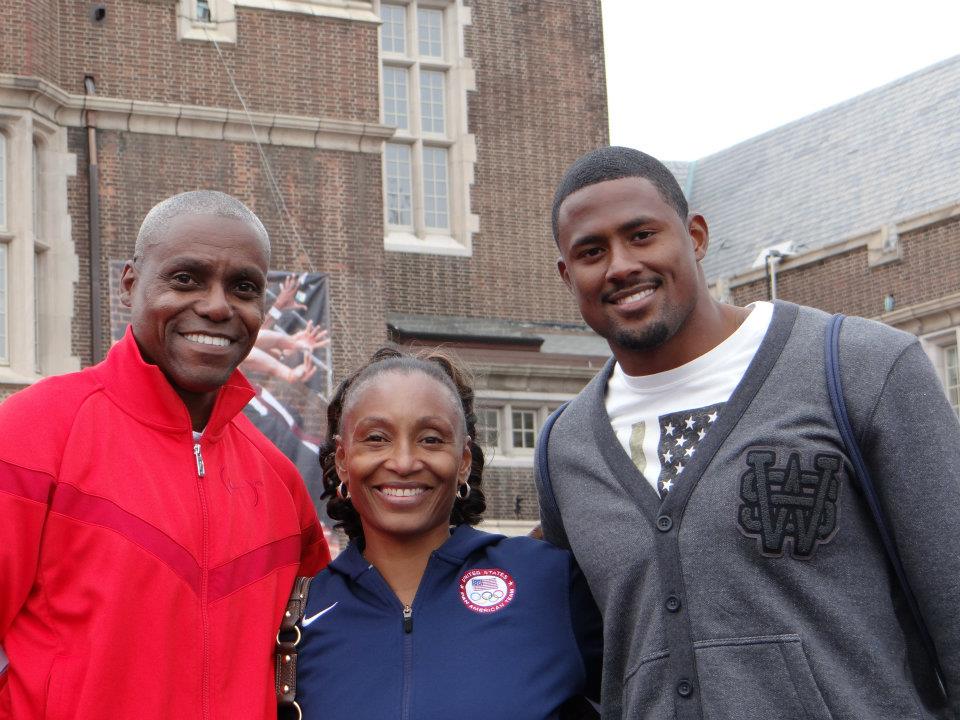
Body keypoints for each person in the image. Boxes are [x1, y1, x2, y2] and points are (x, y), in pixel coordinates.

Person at [536, 146, 960, 719]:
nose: (620, 266)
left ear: (696, 236)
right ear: (568, 274)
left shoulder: (860, 367)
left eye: (642, 235)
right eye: (592, 251)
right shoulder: (566, 447)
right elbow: (581, 660)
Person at [0, 191, 330, 719]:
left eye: (243, 287)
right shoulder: (31, 434)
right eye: (186, 279)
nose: (218, 306)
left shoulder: (282, 482)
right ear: (130, 284)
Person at [294, 349, 602, 720]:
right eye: (376, 438)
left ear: (464, 461)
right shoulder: (298, 617)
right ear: (342, 461)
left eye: (431, 439)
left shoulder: (550, 581)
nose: (404, 462)